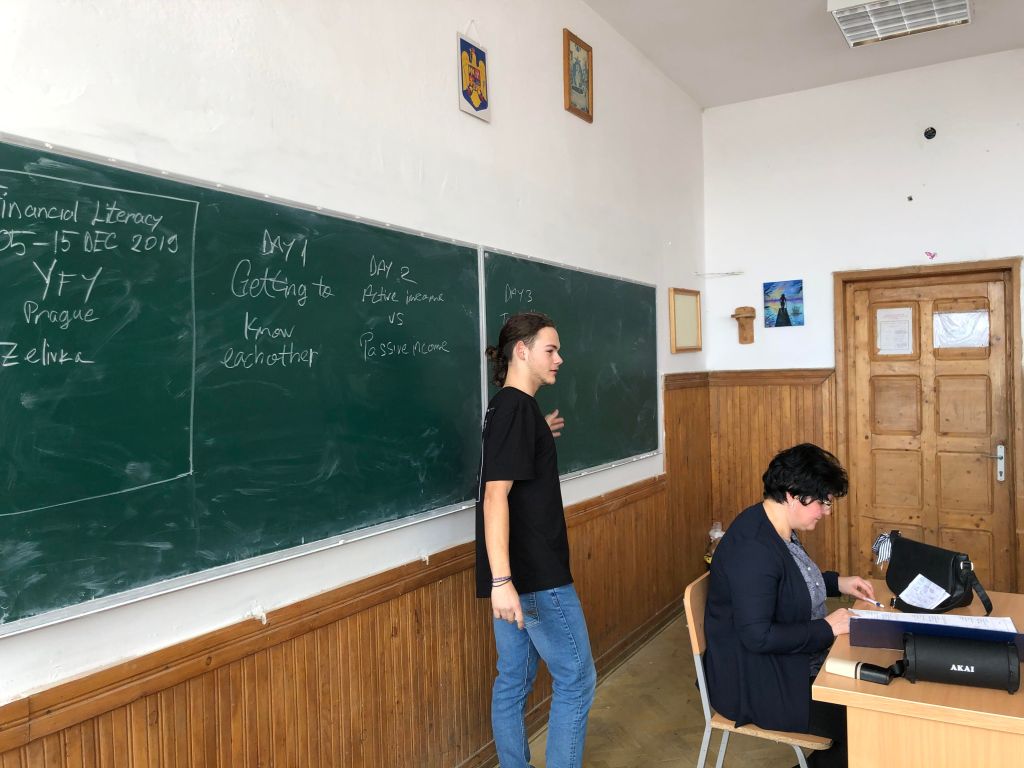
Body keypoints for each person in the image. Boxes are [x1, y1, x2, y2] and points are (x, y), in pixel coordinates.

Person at [702, 443, 874, 768]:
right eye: (822, 502)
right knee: (868, 723)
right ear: (793, 495)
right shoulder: (753, 549)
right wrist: (826, 628)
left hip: (786, 665)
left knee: (873, 700)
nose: (827, 511)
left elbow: (789, 585)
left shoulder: (775, 526)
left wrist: (838, 583)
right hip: (757, 683)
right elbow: (758, 637)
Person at [476, 311, 596, 768]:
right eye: (551, 349)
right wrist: (502, 581)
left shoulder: (511, 410)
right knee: (576, 680)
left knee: (513, 681)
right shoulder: (514, 410)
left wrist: (537, 431)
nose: (559, 358)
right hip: (533, 578)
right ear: (521, 352)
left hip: (515, 577)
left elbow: (511, 476)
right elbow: (495, 496)